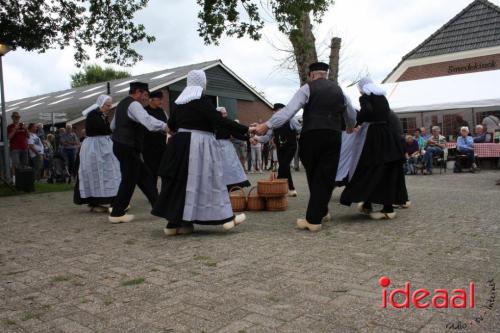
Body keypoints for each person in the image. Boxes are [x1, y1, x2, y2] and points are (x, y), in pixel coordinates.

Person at [255, 62, 356, 232]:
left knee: (314, 174)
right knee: (326, 174)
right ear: (326, 74)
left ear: (311, 75)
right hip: (333, 134)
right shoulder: (340, 91)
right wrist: (350, 126)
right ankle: (322, 211)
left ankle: (313, 220)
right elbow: (351, 113)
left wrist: (268, 125)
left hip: (312, 135)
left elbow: (288, 112)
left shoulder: (307, 88)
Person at [152, 70, 249, 236]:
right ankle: (226, 219)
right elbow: (219, 121)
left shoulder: (179, 103)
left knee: (180, 183)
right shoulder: (201, 101)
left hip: (178, 146)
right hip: (198, 145)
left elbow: (172, 126)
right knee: (210, 181)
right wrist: (246, 129)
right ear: (202, 83)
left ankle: (175, 224)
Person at [340, 77, 407, 220]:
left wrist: (357, 122)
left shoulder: (365, 97)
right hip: (388, 135)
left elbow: (367, 111)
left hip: (373, 136)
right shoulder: (382, 97)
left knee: (366, 167)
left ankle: (372, 204)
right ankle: (371, 204)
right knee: (384, 171)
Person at [109, 82, 168, 223]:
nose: (146, 98)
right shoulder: (134, 105)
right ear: (138, 92)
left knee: (144, 176)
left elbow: (112, 126)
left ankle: (159, 207)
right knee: (130, 179)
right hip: (127, 146)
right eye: (145, 95)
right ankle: (117, 213)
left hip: (121, 145)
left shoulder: (121, 104)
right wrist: (165, 126)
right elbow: (147, 120)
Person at [74, 95, 121, 212]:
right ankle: (94, 202)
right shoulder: (93, 115)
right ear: (101, 104)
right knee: (94, 171)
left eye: (110, 105)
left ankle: (112, 199)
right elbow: (103, 129)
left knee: (110, 171)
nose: (109, 107)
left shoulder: (101, 115)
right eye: (107, 105)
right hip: (95, 147)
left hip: (104, 144)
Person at [256, 103, 302, 197]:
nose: (275, 113)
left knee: (284, 166)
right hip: (280, 148)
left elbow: (300, 129)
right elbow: (267, 137)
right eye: (275, 111)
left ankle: (276, 186)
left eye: (276, 111)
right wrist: (257, 138)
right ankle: (291, 189)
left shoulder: (291, 119)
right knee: (285, 167)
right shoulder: (273, 122)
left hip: (291, 146)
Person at [216, 107, 251, 190]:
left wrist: (248, 138)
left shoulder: (227, 123)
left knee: (230, 164)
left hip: (226, 145)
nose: (225, 115)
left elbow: (235, 133)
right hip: (216, 146)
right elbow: (235, 127)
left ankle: (231, 184)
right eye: (223, 113)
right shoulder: (216, 122)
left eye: (226, 113)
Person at [141, 90, 168, 180]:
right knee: (152, 173)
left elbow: (168, 125)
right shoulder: (144, 111)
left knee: (165, 172)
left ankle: (164, 193)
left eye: (162, 99)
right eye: (159, 99)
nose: (161, 102)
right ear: (151, 100)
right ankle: (153, 193)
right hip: (149, 148)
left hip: (162, 147)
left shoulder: (162, 111)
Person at [7, 111, 29, 175]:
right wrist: (15, 129)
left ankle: (23, 180)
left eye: (18, 117)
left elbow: (28, 136)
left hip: (24, 147)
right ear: (12, 117)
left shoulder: (22, 125)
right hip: (15, 148)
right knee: (16, 164)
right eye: (15, 117)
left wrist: (26, 129)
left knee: (25, 164)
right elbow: (9, 137)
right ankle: (15, 179)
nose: (17, 118)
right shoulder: (10, 126)